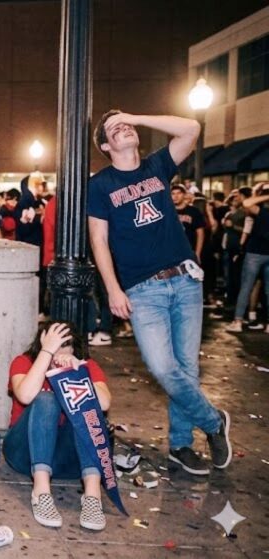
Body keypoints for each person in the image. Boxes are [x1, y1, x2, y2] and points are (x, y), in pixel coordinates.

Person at [87, 110, 231, 475]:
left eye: (127, 125)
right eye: (113, 129)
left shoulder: (157, 166)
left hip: (184, 279)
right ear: (105, 146)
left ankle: (180, 445)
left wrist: (133, 115)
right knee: (163, 367)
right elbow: (99, 240)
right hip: (142, 290)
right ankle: (214, 422)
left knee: (187, 368)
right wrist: (113, 289)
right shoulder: (101, 184)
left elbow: (192, 128)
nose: (124, 128)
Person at [3, 323, 111, 531]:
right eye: (56, 344)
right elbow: (25, 395)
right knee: (46, 400)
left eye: (66, 345)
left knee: (88, 407)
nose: (59, 352)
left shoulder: (85, 366)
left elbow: (104, 403)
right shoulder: (24, 362)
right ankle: (41, 492)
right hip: (24, 453)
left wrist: (77, 374)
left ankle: (92, 495)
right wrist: (46, 354)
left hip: (68, 460)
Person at [226, 183, 269, 334]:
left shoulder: (259, 211)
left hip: (255, 253)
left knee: (246, 287)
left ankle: (238, 321)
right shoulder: (260, 211)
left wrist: (260, 193)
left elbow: (247, 203)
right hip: (262, 253)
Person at [171, 184, 206, 256]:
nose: (176, 196)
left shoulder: (193, 211)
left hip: (189, 250)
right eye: (173, 194)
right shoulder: (168, 212)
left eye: (179, 193)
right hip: (172, 251)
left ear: (184, 195)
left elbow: (200, 233)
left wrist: (198, 253)